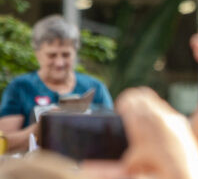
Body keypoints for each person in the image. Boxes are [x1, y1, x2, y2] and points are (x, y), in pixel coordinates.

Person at [0, 15, 113, 152]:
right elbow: (5, 144)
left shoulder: (95, 87)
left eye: (66, 55)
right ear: (37, 54)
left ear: (75, 53)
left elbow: (112, 137)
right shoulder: (20, 87)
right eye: (52, 55)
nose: (59, 63)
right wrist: (40, 128)